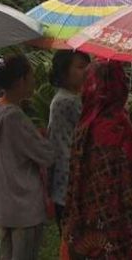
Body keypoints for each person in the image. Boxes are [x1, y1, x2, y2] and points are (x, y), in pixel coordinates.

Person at [63, 61, 132, 260]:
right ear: (118, 86)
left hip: (83, 226)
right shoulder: (118, 126)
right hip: (116, 231)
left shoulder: (84, 125)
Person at [0, 54, 55, 260]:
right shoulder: (14, 117)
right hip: (24, 208)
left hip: (3, 206)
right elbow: (47, 155)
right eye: (31, 75)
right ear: (21, 80)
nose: (34, 80)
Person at [47, 50, 90, 232]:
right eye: (80, 67)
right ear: (64, 73)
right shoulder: (68, 101)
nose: (87, 72)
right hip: (69, 180)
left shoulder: (68, 98)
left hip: (65, 180)